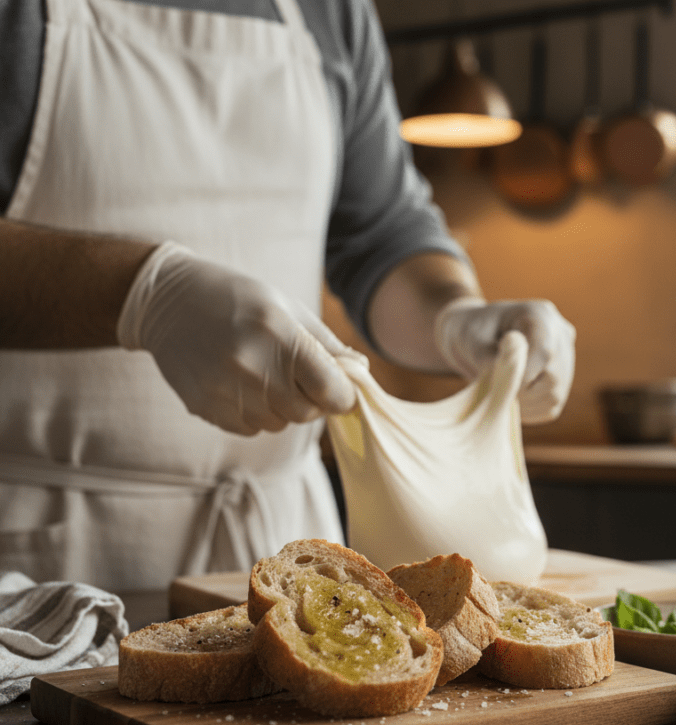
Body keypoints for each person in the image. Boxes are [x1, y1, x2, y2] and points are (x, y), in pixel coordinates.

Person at [0, 0, 576, 591]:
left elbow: (382, 234)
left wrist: (453, 318)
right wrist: (144, 296)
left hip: (284, 543)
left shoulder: (333, 12)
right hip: (45, 555)